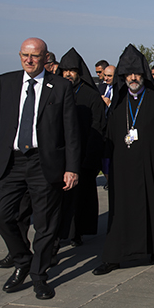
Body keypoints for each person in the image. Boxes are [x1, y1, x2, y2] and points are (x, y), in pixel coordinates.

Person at [0, 37, 81, 300]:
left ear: (45, 58)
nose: (29, 60)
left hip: (44, 163)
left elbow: (71, 131)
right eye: (24, 55)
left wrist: (72, 167)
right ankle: (23, 259)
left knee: (46, 225)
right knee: (1, 216)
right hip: (11, 162)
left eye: (34, 56)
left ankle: (39, 275)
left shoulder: (60, 86)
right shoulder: (7, 82)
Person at [92, 45, 154, 275]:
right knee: (120, 211)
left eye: (137, 74)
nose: (133, 78)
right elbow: (109, 136)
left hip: (150, 164)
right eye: (129, 74)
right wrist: (107, 164)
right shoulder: (118, 102)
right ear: (123, 76)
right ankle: (114, 256)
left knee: (151, 207)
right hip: (122, 167)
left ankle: (153, 250)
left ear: (144, 75)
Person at [56, 48, 106, 247]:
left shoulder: (91, 96)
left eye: (72, 70)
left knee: (80, 198)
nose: (68, 74)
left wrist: (90, 158)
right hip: (59, 156)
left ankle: (77, 232)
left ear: (79, 72)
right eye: (65, 70)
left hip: (84, 155)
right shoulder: (56, 91)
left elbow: (98, 127)